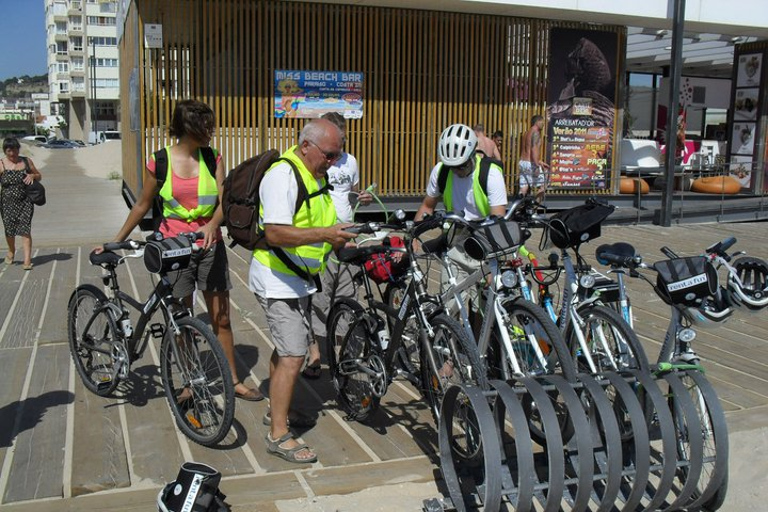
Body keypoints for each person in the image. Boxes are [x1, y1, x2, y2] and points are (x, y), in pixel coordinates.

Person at [97, 99, 263, 402]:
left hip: (209, 247)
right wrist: (115, 241)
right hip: (172, 249)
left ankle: (234, 381)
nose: (211, 131)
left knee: (221, 318)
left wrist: (214, 224)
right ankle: (189, 380)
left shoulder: (213, 158)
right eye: (206, 126)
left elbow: (223, 202)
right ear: (189, 128)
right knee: (180, 318)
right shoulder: (159, 161)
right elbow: (142, 205)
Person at [250, 118, 356, 464]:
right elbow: (276, 233)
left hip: (297, 277)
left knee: (285, 350)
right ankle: (278, 434)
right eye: (329, 155)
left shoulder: (313, 173)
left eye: (337, 156)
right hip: (277, 278)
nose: (333, 162)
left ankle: (277, 410)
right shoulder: (284, 176)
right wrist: (327, 234)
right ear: (306, 145)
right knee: (294, 355)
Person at [305, 112, 372, 379]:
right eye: (335, 138)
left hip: (348, 235)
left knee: (348, 294)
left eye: (342, 138)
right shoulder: (317, 160)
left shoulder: (350, 160)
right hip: (322, 238)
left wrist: (363, 197)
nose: (340, 144)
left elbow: (352, 192)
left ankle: (345, 356)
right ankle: (314, 354)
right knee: (320, 297)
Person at [415, 124, 507, 311]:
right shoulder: (441, 171)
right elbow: (427, 206)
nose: (457, 171)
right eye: (452, 166)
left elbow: (498, 220)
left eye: (461, 165)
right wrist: (414, 235)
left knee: (486, 310)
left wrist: (494, 265)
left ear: (473, 153)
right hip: (455, 245)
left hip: (485, 244)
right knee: (450, 307)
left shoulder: (490, 174)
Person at [1, 137, 42, 270]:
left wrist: (33, 176)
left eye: (15, 151)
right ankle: (11, 251)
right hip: (7, 203)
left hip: (25, 201)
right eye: (9, 152)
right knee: (9, 231)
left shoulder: (26, 161)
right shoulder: (1, 164)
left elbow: (39, 175)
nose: (12, 155)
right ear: (5, 151)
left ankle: (27, 260)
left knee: (25, 230)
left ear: (18, 150)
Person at [518, 115, 550, 198]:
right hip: (530, 164)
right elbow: (533, 149)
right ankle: (532, 209)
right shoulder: (536, 133)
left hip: (522, 163)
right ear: (537, 122)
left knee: (523, 188)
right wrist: (536, 165)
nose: (543, 124)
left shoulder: (526, 133)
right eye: (542, 122)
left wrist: (540, 161)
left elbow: (527, 150)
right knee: (543, 186)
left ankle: (517, 208)